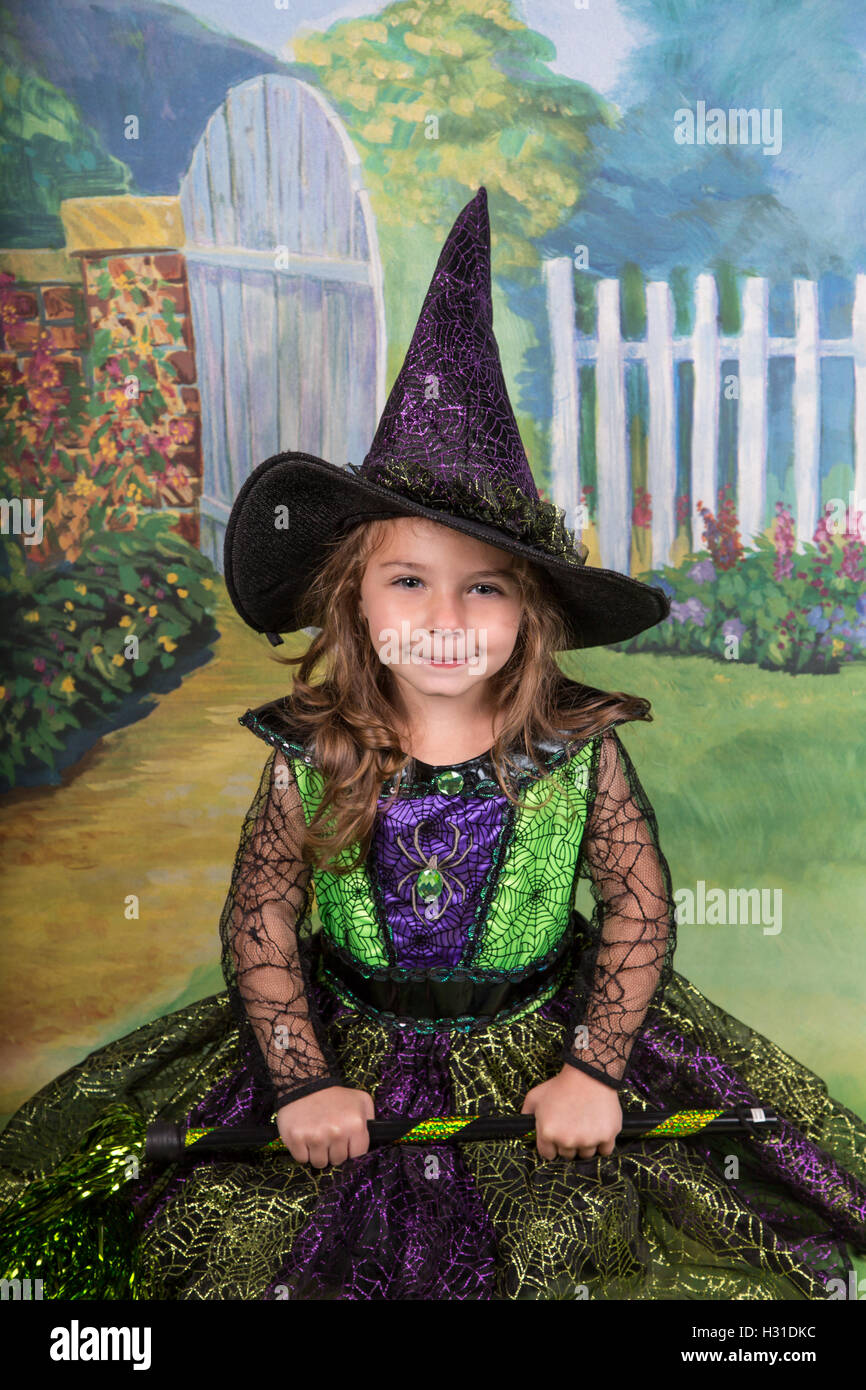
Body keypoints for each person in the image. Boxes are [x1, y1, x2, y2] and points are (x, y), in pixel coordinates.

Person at [1, 188, 864, 1302]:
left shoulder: (575, 750)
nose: (444, 619)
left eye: (484, 588)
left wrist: (594, 1069)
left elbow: (636, 909)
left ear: (532, 612)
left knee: (566, 1246)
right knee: (250, 1244)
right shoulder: (309, 751)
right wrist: (302, 1081)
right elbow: (263, 912)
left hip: (536, 1044)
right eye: (407, 579)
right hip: (347, 1044)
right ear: (351, 596)